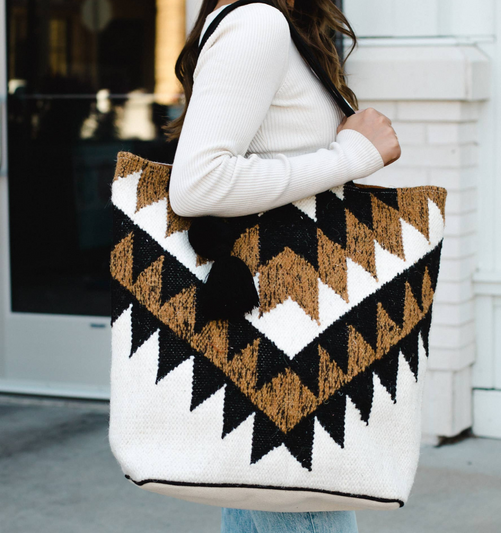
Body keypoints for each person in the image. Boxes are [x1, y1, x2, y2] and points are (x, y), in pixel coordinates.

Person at [164, 1, 401, 531]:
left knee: (260, 496)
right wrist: (354, 155)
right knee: (299, 498)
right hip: (286, 332)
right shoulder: (258, 22)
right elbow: (198, 184)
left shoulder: (274, 23)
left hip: (279, 329)